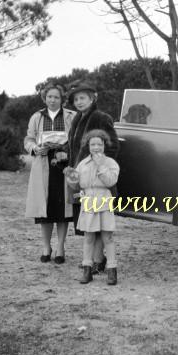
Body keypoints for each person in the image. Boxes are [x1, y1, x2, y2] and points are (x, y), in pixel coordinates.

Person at [66, 82, 119, 272]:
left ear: (92, 98)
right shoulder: (76, 119)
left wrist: (100, 165)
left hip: (100, 181)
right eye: (76, 99)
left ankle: (97, 260)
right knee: (88, 222)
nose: (79, 102)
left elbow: (112, 146)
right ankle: (95, 258)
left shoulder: (101, 117)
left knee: (99, 221)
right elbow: (74, 147)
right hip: (82, 180)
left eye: (82, 98)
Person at [24, 82, 76, 263]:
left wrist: (66, 150)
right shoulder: (36, 117)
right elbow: (29, 139)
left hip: (64, 165)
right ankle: (46, 246)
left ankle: (61, 247)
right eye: (49, 97)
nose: (52, 100)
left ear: (62, 99)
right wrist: (34, 148)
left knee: (63, 209)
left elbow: (76, 139)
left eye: (56, 97)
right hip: (43, 165)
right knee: (44, 209)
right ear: (44, 98)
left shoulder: (71, 116)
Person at [65, 129, 120, 285]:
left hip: (104, 201)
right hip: (89, 201)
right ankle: (87, 270)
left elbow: (110, 181)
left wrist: (100, 165)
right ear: (88, 146)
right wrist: (71, 177)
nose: (96, 147)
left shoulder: (111, 163)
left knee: (107, 237)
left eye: (99, 144)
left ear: (104, 145)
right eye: (92, 144)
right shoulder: (83, 163)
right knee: (88, 237)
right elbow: (78, 185)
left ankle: (112, 270)